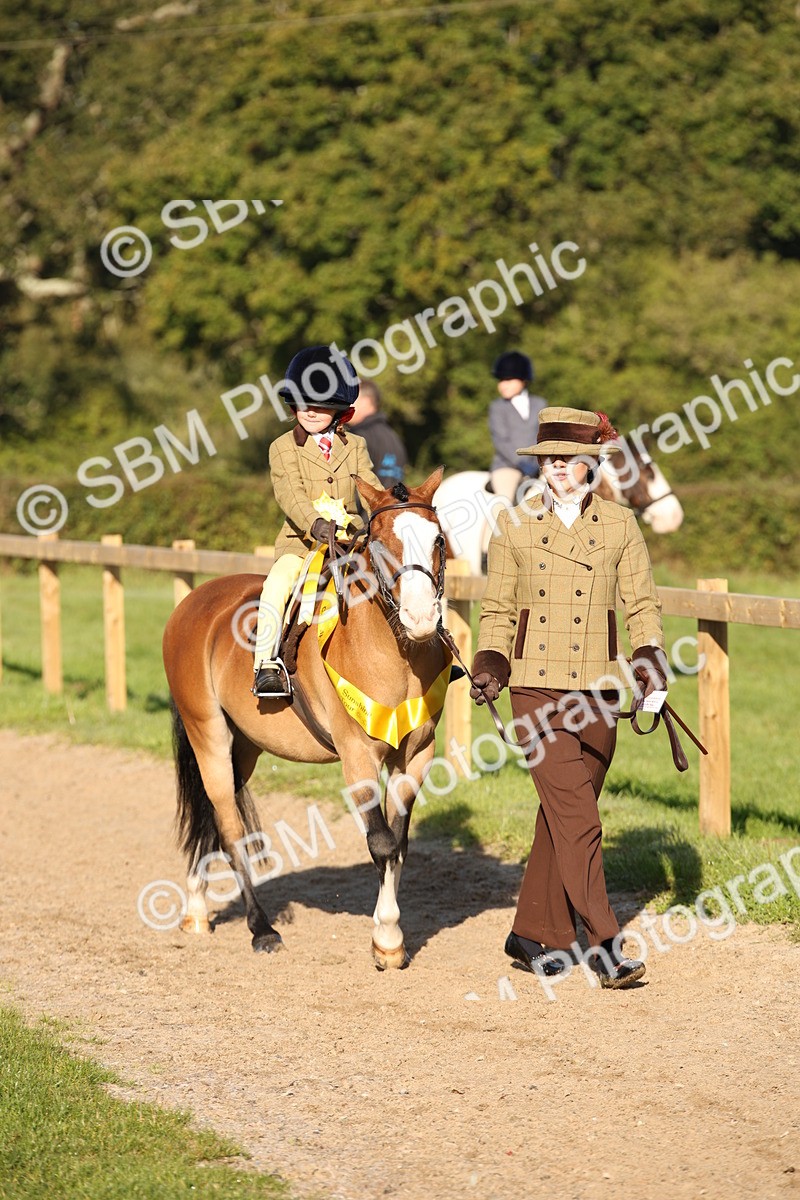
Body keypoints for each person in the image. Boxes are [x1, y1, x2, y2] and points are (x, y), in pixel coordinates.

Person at [470, 406, 668, 989]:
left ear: (590, 462)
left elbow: (641, 604)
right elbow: (499, 608)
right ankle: (605, 943)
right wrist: (492, 659)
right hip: (535, 687)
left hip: (601, 688)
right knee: (580, 818)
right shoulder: (514, 523)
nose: (558, 466)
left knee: (560, 815)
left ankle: (532, 931)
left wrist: (649, 655)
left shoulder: (620, 524)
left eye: (570, 457)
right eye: (549, 457)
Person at [252, 345, 383, 697]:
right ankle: (265, 664)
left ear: (339, 410)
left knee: (401, 575)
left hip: (351, 542)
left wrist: (386, 512)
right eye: (303, 402)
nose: (310, 411)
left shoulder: (355, 445)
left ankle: (428, 650)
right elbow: (289, 493)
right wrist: (314, 524)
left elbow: (368, 486)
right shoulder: (283, 447)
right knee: (277, 585)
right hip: (302, 544)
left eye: (321, 404)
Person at [488, 351, 547, 505]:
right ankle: (493, 529)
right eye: (500, 380)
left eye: (508, 380)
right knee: (504, 503)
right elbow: (501, 441)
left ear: (523, 380)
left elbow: (545, 436)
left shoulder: (540, 404)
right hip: (507, 466)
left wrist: (537, 463)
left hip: (539, 466)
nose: (502, 385)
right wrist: (521, 463)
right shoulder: (497, 407)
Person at [348, 380, 409, 488]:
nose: (347, 404)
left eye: (351, 399)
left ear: (366, 401)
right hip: (392, 503)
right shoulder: (393, 436)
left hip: (368, 503)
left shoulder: (359, 436)